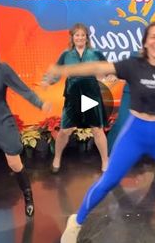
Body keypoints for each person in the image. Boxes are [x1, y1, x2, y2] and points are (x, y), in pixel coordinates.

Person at [46, 20, 155, 243]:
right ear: (146, 42)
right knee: (108, 181)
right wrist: (63, 70)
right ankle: (76, 221)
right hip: (136, 131)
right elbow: (96, 67)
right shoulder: (134, 65)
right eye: (153, 36)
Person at [0, 31, 51, 217]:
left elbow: (24, 90)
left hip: (2, 119)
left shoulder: (2, 70)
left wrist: (40, 103)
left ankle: (28, 195)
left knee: (14, 162)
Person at [42, 23, 108, 173]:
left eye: (82, 35)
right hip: (73, 95)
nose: (80, 37)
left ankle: (105, 161)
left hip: (90, 94)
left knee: (97, 129)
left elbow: (106, 68)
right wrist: (47, 81)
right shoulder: (66, 54)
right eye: (77, 35)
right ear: (72, 37)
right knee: (65, 130)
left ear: (86, 38)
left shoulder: (95, 53)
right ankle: (57, 158)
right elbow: (56, 73)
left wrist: (109, 76)